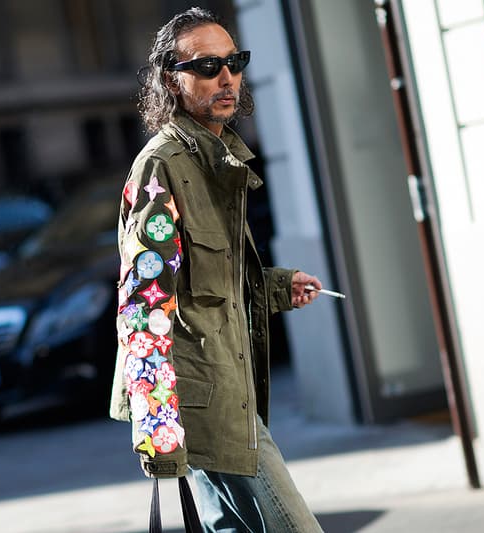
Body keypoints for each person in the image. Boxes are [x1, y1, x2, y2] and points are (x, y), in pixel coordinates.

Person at [109, 8, 325, 532]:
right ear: (171, 79)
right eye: (207, 66)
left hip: (229, 389)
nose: (226, 77)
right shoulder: (164, 167)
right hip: (202, 410)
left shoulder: (218, 158)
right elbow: (144, 309)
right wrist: (160, 437)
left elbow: (207, 280)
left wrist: (274, 286)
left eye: (234, 62)